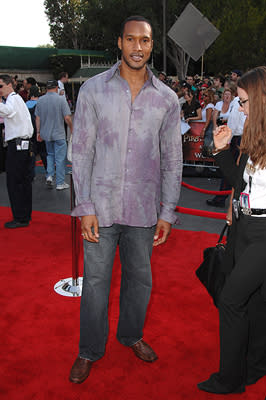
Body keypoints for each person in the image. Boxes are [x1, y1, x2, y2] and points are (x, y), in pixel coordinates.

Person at [69, 15, 182, 384]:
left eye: (145, 41)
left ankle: (131, 334)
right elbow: (81, 153)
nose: (137, 47)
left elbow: (172, 160)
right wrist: (84, 207)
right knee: (96, 284)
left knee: (140, 281)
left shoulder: (167, 99)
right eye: (130, 40)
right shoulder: (93, 90)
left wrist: (167, 211)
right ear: (119, 42)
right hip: (100, 210)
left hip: (144, 210)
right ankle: (89, 350)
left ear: (152, 46)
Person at [198, 66, 266, 394]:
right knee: (254, 300)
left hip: (265, 233)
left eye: (244, 101)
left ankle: (230, 379)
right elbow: (240, 184)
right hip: (243, 225)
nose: (240, 108)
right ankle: (254, 366)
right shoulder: (253, 133)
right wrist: (223, 151)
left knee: (231, 299)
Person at [0, 74, 33, 228]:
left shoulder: (13, 99)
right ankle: (24, 215)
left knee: (15, 181)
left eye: (0, 86)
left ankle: (20, 217)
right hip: (23, 145)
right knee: (23, 181)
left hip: (18, 146)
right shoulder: (17, 99)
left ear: (9, 85)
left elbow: (7, 111)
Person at [35, 80, 73, 190]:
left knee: (50, 155)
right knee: (60, 158)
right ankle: (60, 182)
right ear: (57, 87)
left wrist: (38, 132)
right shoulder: (61, 100)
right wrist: (72, 128)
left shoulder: (40, 100)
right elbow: (67, 117)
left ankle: (50, 175)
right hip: (59, 133)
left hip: (46, 133)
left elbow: (38, 118)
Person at [26, 86, 47, 179]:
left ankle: (31, 174)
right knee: (44, 152)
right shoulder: (41, 103)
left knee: (31, 153)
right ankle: (49, 172)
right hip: (40, 130)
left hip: (30, 131)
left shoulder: (25, 104)